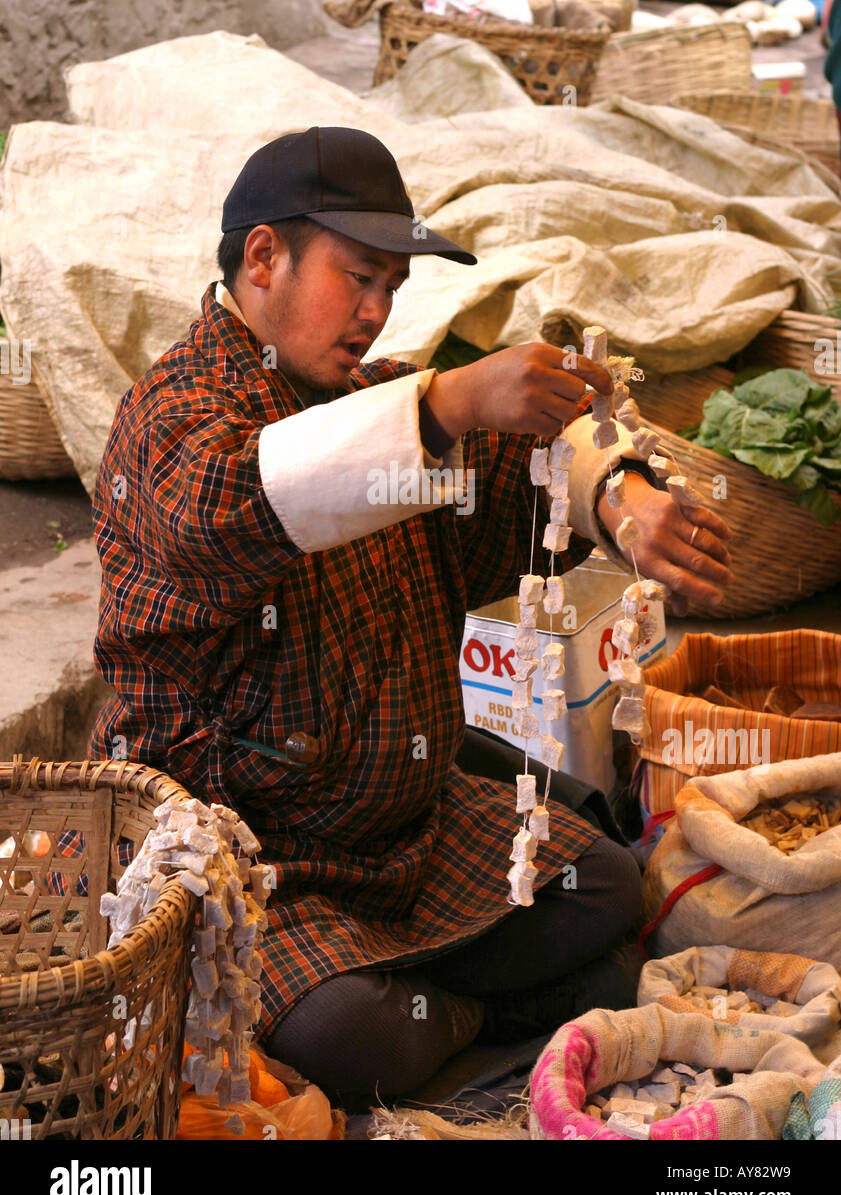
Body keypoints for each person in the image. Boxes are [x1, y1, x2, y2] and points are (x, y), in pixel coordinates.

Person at [88, 127, 732, 1104]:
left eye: (392, 284)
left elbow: (520, 478)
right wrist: (448, 400)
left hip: (402, 837)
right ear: (263, 257)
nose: (377, 309)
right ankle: (464, 1013)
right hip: (251, 859)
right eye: (358, 276)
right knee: (352, 1036)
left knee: (602, 885)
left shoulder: (373, 398)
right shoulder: (169, 416)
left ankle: (443, 1005)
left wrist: (619, 499)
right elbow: (226, 512)